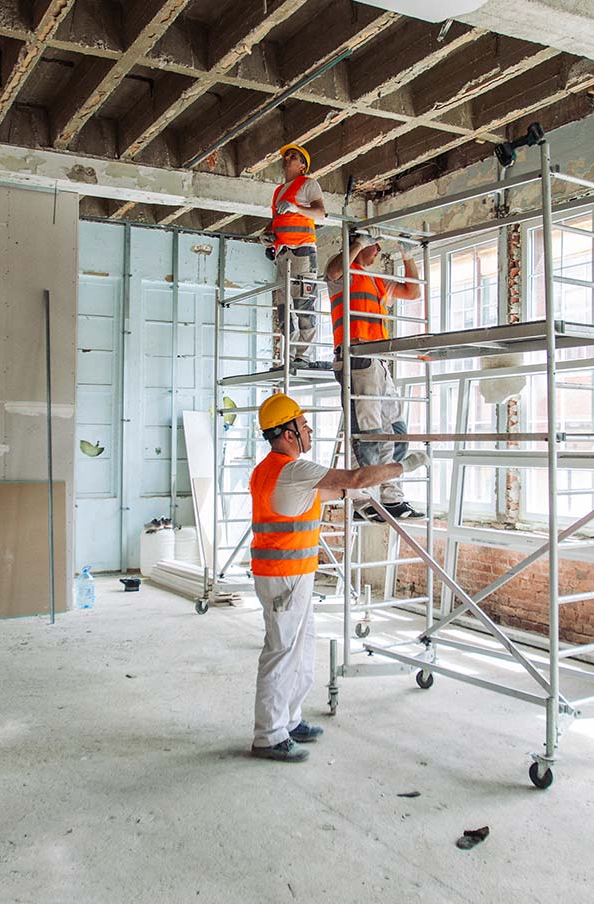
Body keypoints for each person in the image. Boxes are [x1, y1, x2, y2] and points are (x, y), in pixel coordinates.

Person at [248, 392, 410, 762]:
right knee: (282, 652)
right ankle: (268, 736)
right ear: (288, 433)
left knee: (301, 648)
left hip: (292, 574)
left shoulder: (271, 471)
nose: (309, 431)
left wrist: (357, 489)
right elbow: (351, 478)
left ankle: (290, 720)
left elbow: (336, 490)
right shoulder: (292, 469)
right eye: (303, 426)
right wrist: (401, 467)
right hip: (284, 576)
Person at [324, 230, 424, 520]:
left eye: (378, 247)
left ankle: (391, 498)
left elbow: (413, 291)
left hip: (378, 360)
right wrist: (359, 243)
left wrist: (408, 256)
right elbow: (332, 270)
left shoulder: (376, 280)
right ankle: (364, 500)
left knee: (395, 429)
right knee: (366, 433)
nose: (377, 252)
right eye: (374, 246)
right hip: (355, 356)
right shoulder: (345, 270)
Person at [266, 145, 324, 369]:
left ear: (303, 166)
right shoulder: (279, 191)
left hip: (302, 251)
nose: (287, 158)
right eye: (286, 156)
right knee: (284, 310)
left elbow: (320, 213)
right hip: (283, 253)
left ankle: (304, 357)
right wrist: (268, 233)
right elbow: (277, 220)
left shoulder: (309, 184)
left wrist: (296, 208)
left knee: (304, 305)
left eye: (293, 156)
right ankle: (288, 358)